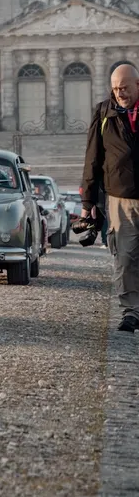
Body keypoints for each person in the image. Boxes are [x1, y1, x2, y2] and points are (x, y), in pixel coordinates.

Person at [81, 62, 139, 331]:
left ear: (137, 85)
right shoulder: (104, 112)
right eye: (116, 89)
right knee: (125, 256)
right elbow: (93, 158)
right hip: (120, 197)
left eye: (125, 88)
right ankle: (131, 311)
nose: (120, 93)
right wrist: (88, 202)